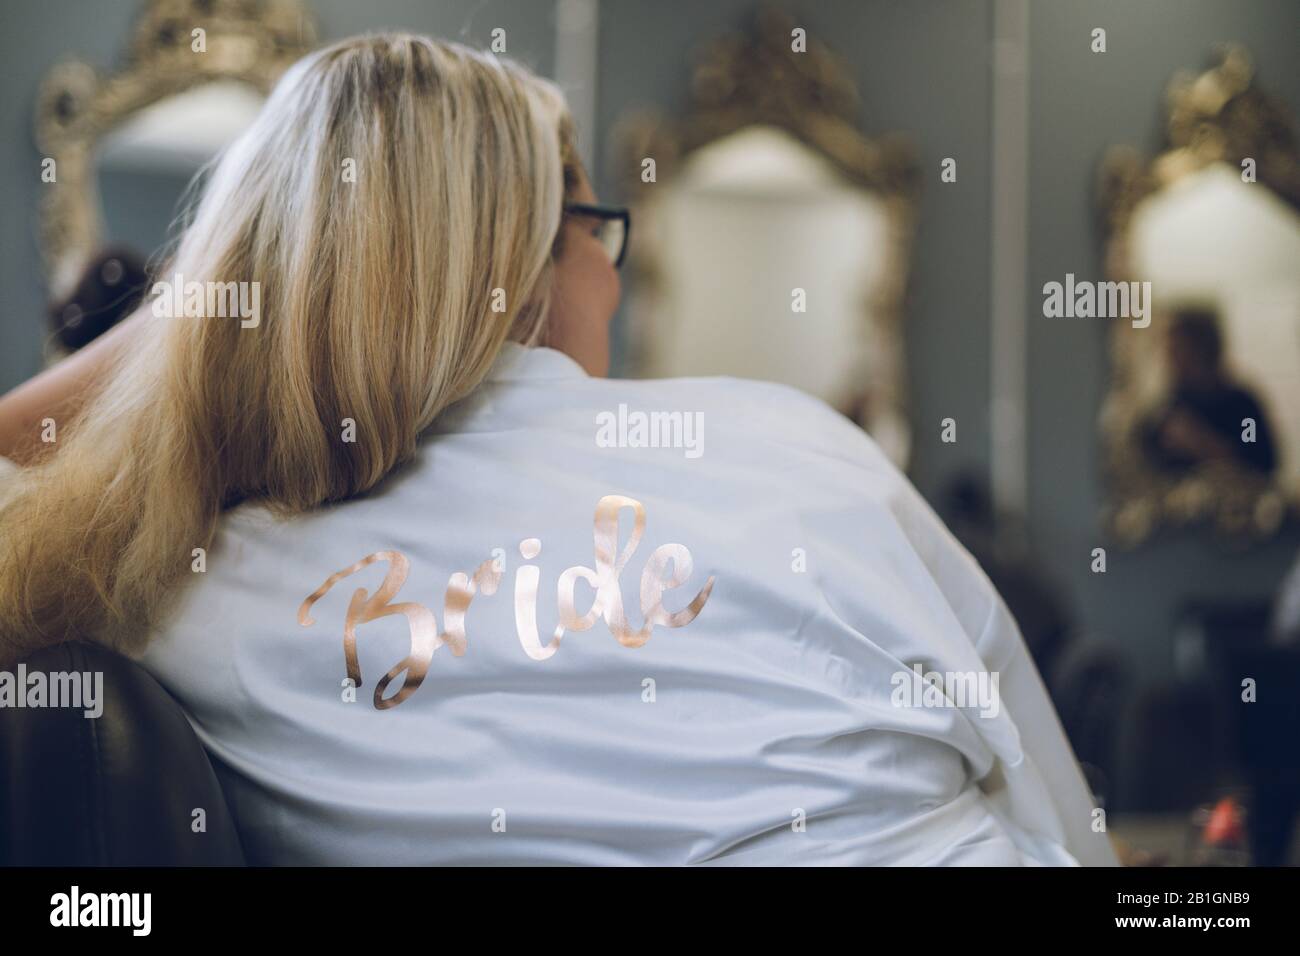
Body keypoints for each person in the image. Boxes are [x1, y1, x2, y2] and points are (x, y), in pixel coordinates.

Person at [0, 34, 1114, 866]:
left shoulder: (176, 588)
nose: (615, 280)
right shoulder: (800, 454)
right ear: (524, 271)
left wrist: (212, 311)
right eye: (598, 229)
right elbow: (1062, 822)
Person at [1142, 306, 1278, 476]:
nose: (1171, 360)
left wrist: (1202, 444)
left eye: (1179, 350)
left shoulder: (1242, 408)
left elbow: (1258, 462)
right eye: (1170, 352)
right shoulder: (1169, 410)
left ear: (1204, 350)